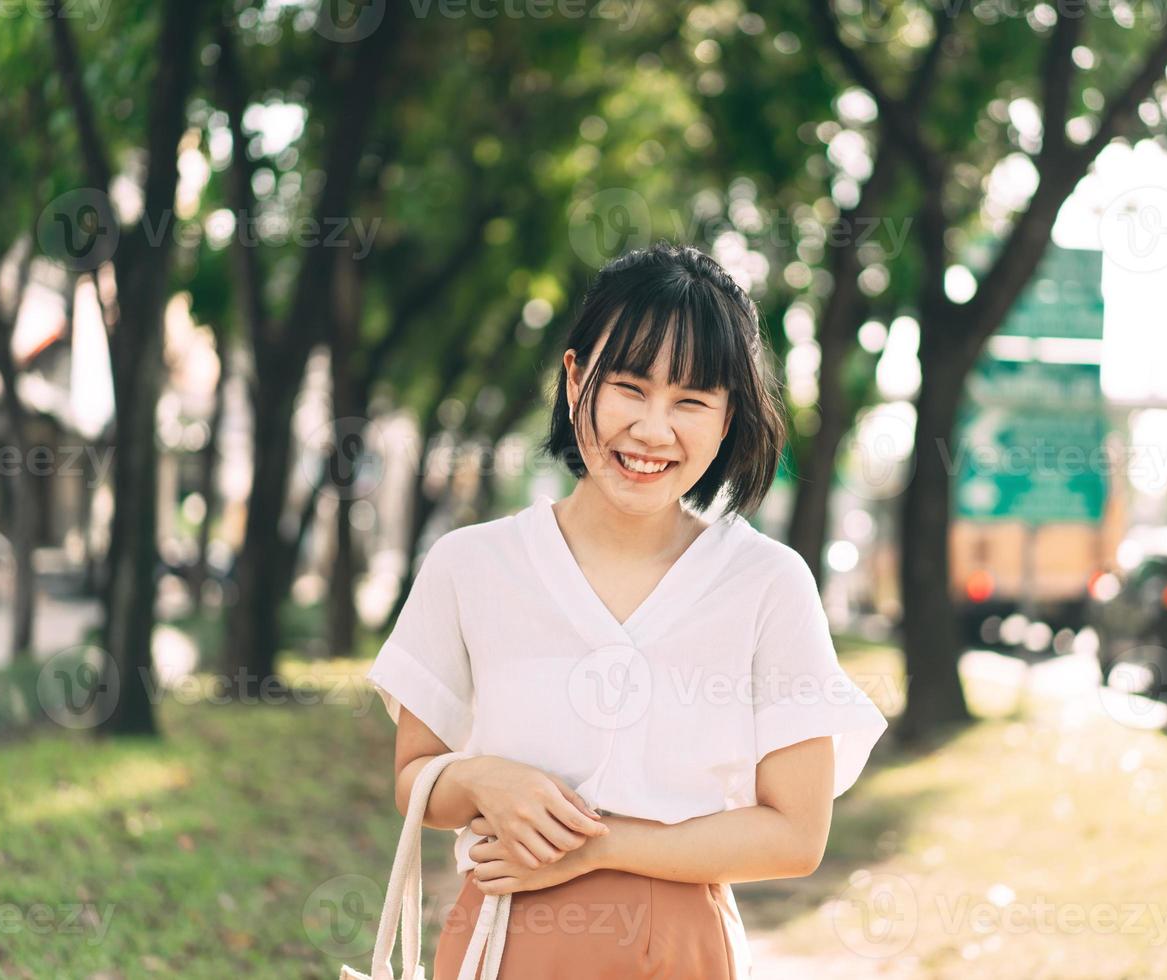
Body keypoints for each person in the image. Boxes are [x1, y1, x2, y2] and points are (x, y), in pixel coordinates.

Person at [366, 241, 890, 978]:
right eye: (630, 388)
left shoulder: (768, 584)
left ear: (728, 415)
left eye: (691, 401)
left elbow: (796, 835)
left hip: (677, 952)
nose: (653, 429)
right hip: (498, 942)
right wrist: (484, 778)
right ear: (576, 376)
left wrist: (602, 844)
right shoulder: (470, 565)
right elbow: (414, 779)